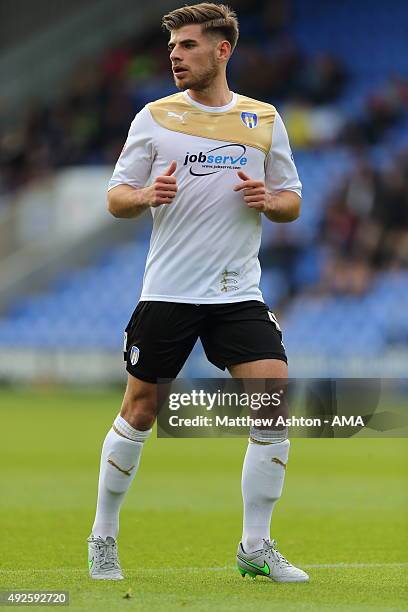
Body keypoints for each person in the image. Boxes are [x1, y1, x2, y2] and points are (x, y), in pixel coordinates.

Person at [88, 2, 308, 583]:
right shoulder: (153, 117)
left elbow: (292, 201)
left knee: (272, 400)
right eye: (173, 47)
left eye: (187, 45)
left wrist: (269, 199)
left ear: (222, 50)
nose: (175, 56)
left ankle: (255, 546)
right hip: (169, 292)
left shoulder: (263, 119)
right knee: (140, 410)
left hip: (237, 293)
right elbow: (116, 196)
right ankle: (103, 534)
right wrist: (146, 196)